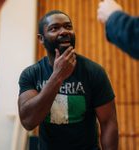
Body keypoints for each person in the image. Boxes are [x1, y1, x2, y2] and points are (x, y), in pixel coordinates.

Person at [18, 10, 118, 150]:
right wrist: (58, 76)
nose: (64, 31)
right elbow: (28, 121)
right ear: (41, 39)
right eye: (54, 28)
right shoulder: (31, 74)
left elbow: (108, 123)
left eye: (68, 26)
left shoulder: (95, 72)